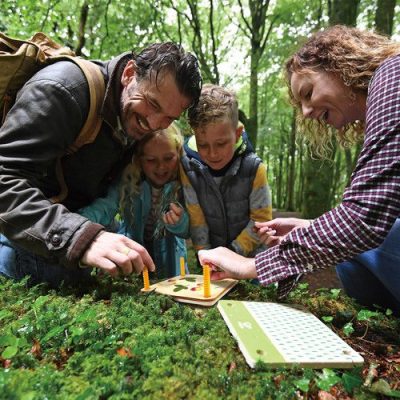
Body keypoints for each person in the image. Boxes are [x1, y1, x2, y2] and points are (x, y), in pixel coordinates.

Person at [197, 25, 400, 315]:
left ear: (338, 64)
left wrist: (250, 266)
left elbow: (365, 219)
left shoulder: (393, 76)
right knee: (348, 251)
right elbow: (381, 210)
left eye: (308, 92)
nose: (305, 112)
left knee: (359, 245)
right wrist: (312, 227)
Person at [0, 41, 201, 287]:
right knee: (64, 277)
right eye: (153, 104)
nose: (154, 123)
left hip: (73, 218)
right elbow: (5, 178)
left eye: (169, 118)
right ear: (129, 74)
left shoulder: (131, 118)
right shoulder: (62, 90)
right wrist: (80, 237)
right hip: (28, 228)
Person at [79, 123, 189, 279]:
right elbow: (105, 207)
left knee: (170, 292)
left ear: (178, 154)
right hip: (133, 251)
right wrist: (78, 223)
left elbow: (190, 229)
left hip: (170, 258)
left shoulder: (182, 186)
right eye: (151, 160)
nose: (161, 167)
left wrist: (179, 223)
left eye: (168, 158)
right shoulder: (129, 184)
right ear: (139, 160)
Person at [180, 83, 272, 257]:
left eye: (221, 144)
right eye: (203, 145)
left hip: (253, 261)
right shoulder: (189, 168)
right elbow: (196, 216)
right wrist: (205, 256)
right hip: (214, 259)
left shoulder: (254, 169)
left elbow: (261, 220)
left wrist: (232, 254)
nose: (213, 153)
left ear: (237, 134)